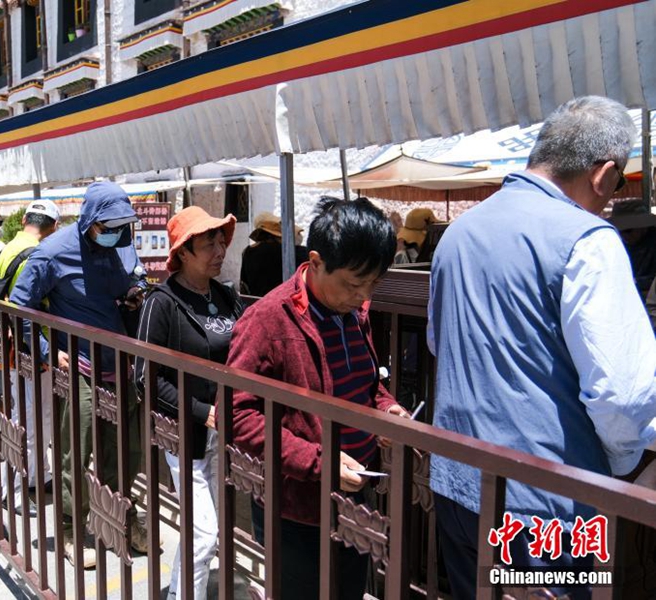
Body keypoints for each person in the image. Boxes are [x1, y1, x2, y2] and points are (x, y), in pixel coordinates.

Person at [428, 96, 656, 599]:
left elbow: (438, 343)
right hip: (547, 507)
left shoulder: (457, 234)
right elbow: (624, 394)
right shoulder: (587, 239)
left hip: (457, 485)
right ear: (605, 175)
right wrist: (621, 465)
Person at [228, 198, 407, 600]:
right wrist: (317, 461)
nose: (361, 295)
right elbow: (237, 415)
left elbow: (365, 383)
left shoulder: (354, 312)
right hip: (296, 506)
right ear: (316, 261)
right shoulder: (267, 320)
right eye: (352, 283)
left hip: (357, 494)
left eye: (372, 284)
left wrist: (387, 409)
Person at [10, 182, 149, 568]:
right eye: (107, 226)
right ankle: (71, 529)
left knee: (125, 449)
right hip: (81, 365)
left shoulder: (121, 241)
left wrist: (136, 289)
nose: (116, 233)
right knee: (78, 446)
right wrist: (46, 350)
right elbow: (20, 307)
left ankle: (118, 517)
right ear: (89, 221)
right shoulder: (52, 253)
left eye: (122, 226)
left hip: (120, 362)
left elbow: (133, 277)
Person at [135, 206, 240, 600]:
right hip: (186, 434)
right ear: (183, 252)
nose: (219, 250)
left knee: (205, 529)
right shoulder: (161, 302)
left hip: (223, 432)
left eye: (220, 240)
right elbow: (145, 378)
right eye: (208, 243)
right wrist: (204, 412)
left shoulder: (227, 295)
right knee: (205, 533)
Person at [0, 199, 60, 517]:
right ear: (54, 228)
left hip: (17, 345)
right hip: (31, 346)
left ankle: (35, 477)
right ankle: (13, 490)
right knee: (29, 421)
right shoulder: (39, 253)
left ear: (24, 220)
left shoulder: (8, 247)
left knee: (33, 416)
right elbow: (30, 308)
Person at [239, 212, 308, 296]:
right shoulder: (296, 251)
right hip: (286, 305)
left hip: (257, 305)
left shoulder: (247, 252)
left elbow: (244, 288)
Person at [608, 199, 656, 298]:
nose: (623, 236)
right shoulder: (616, 244)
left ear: (642, 226)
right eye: (619, 231)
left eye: (628, 231)